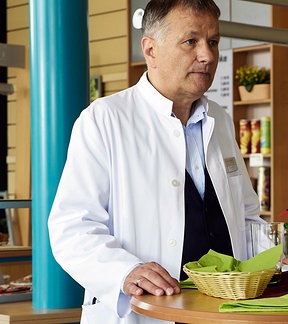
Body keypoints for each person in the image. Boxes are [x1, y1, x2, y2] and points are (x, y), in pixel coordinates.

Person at [48, 0, 262, 323]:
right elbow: (70, 228)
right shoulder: (104, 121)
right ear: (150, 49)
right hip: (142, 314)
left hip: (223, 314)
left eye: (213, 42)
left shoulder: (221, 120)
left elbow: (246, 218)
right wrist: (124, 271)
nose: (208, 55)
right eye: (191, 41)